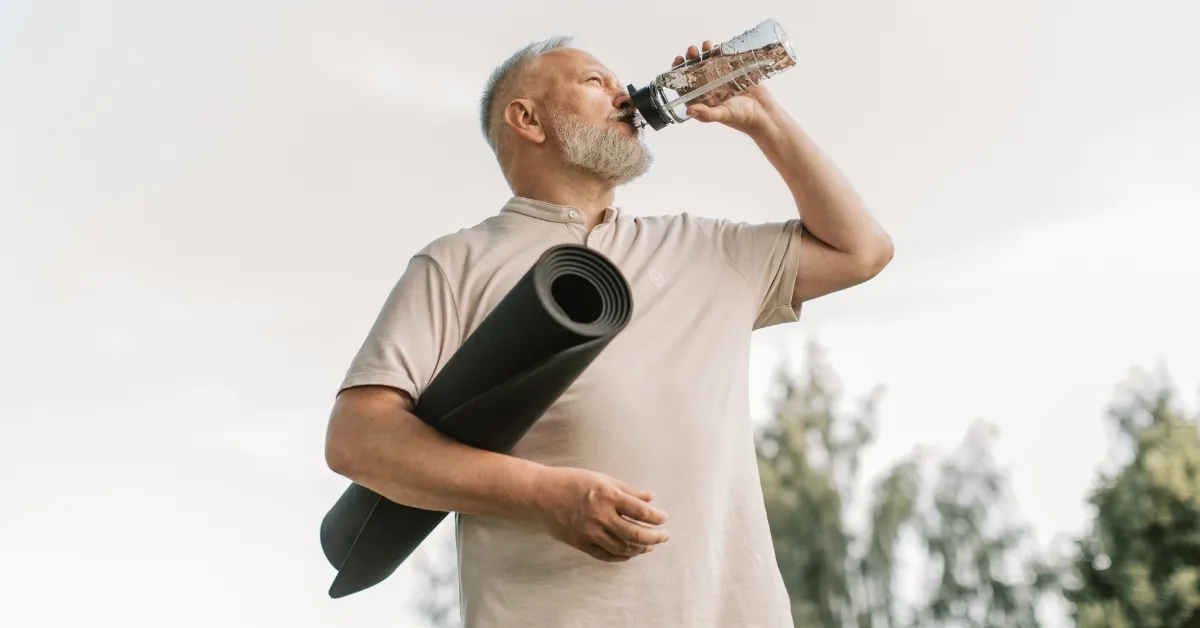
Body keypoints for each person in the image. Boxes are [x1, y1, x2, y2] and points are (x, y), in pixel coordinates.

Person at [324, 35, 893, 628]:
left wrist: (764, 119)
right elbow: (358, 440)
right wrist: (544, 495)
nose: (623, 92)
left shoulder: (706, 247)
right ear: (527, 119)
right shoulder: (455, 264)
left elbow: (862, 250)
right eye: (595, 82)